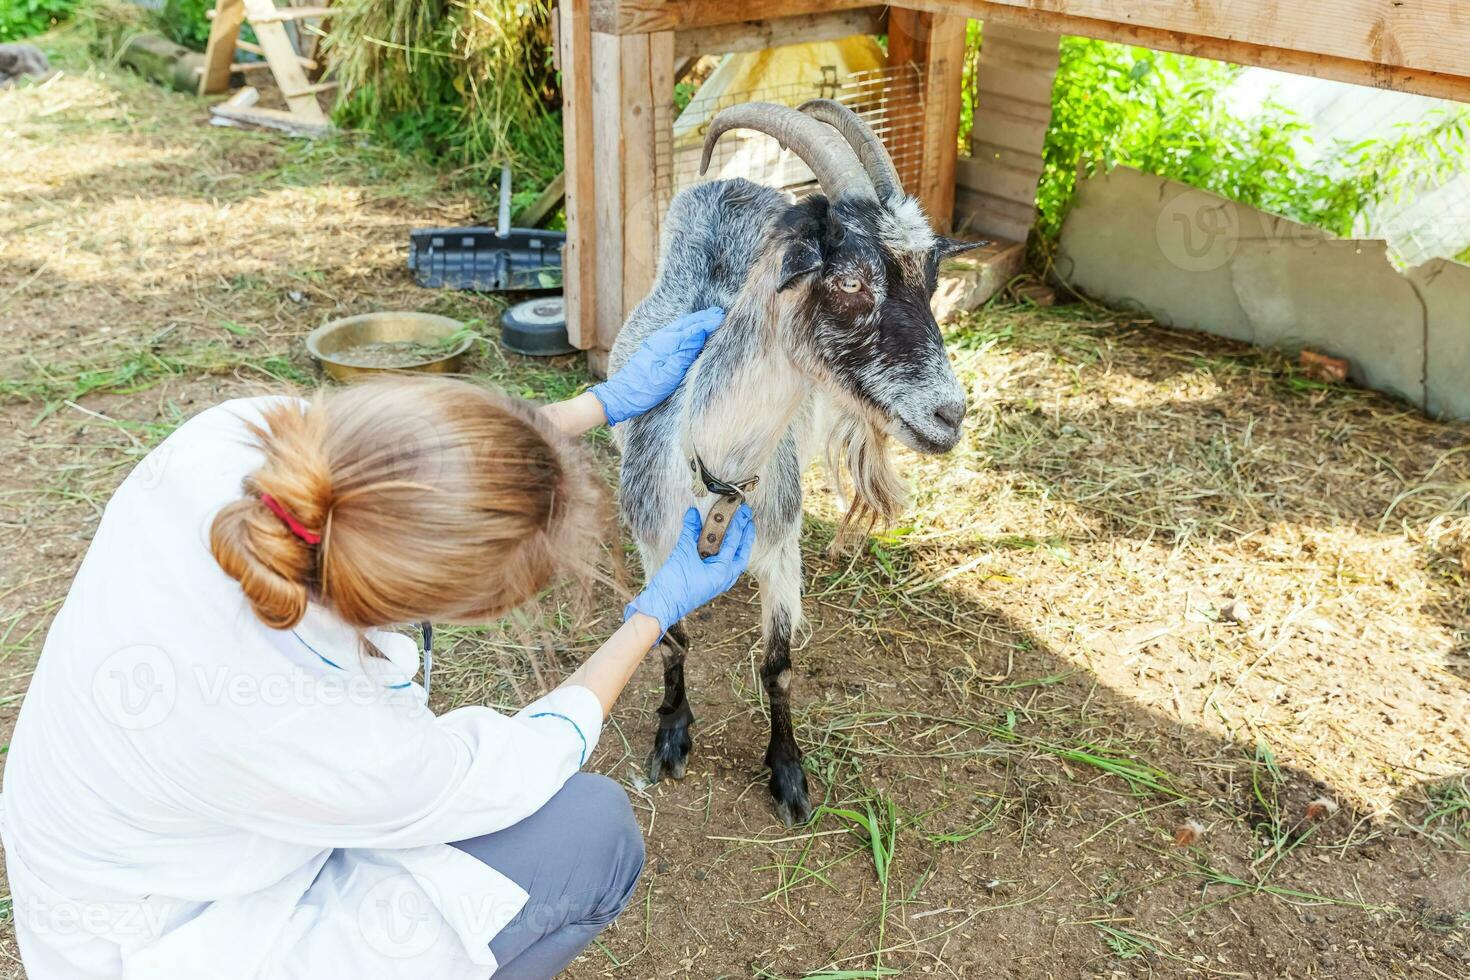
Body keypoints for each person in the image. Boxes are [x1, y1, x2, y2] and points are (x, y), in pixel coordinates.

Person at [0, 308, 752, 979]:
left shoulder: (234, 437)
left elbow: (403, 467)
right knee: (590, 834)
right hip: (172, 942)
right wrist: (652, 612)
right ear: (450, 608)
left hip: (116, 857)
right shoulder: (341, 743)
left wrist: (598, 406)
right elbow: (519, 764)